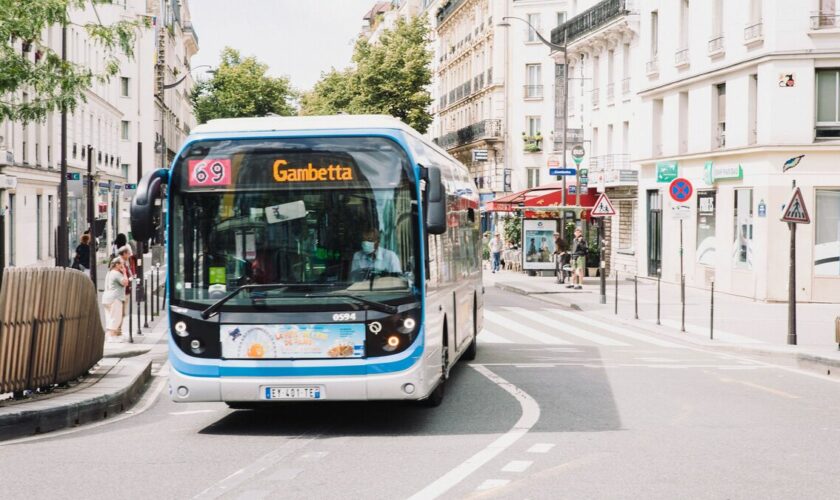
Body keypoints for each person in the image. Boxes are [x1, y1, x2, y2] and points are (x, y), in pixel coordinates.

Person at [102, 258, 130, 341]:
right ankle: (112, 336)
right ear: (117, 264)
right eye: (121, 263)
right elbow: (125, 282)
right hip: (115, 298)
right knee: (116, 318)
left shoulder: (109, 272)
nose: (123, 265)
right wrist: (124, 272)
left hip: (106, 298)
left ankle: (108, 335)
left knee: (109, 318)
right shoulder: (116, 273)